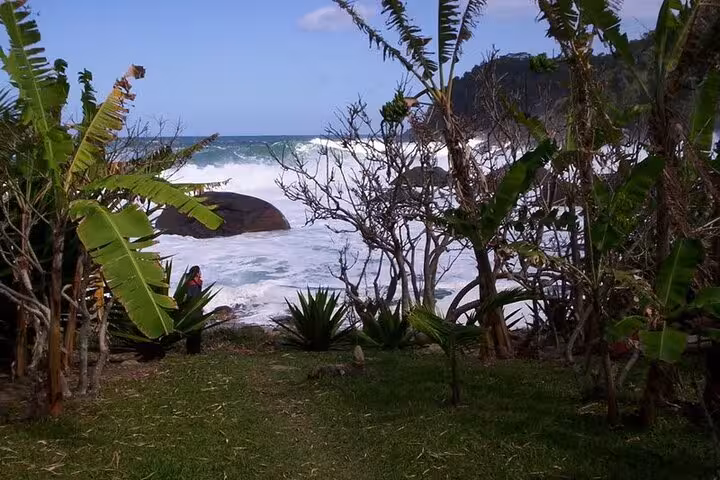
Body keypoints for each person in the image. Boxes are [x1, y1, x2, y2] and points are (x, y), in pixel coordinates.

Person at [185, 266, 203, 355]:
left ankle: (190, 350)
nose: (201, 274)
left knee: (191, 331)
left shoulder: (189, 282)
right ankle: (194, 351)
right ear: (197, 273)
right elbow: (194, 299)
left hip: (190, 311)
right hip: (195, 311)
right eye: (199, 272)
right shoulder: (194, 285)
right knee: (196, 331)